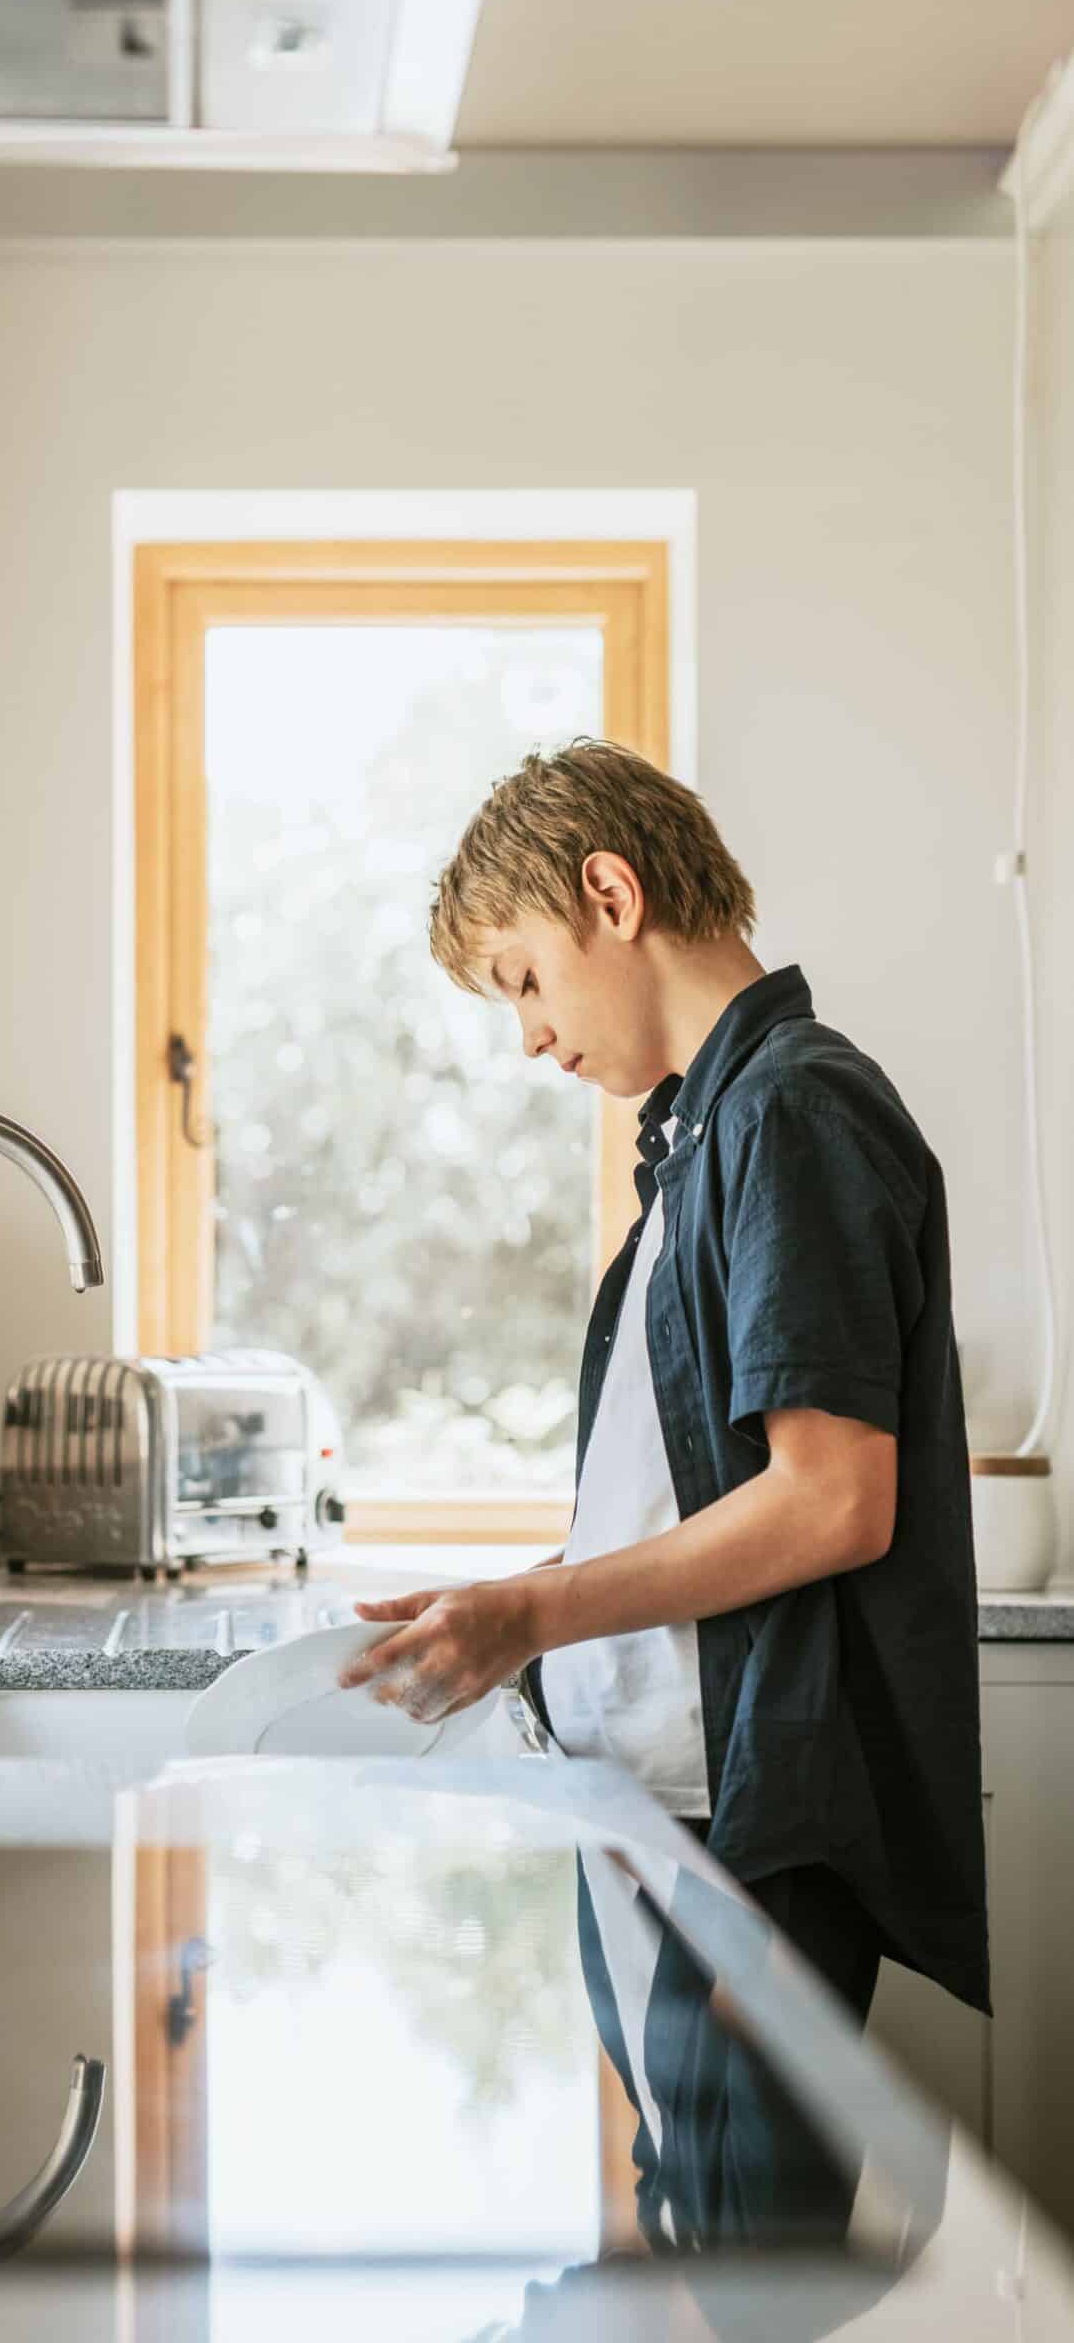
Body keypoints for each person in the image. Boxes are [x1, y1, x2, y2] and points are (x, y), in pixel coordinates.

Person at [340, 738, 989, 2024]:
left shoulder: (789, 1113)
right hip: (670, 1798)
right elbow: (695, 1496)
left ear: (610, 896)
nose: (528, 1036)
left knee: (734, 2224)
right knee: (690, 2213)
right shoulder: (708, 1136)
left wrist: (531, 1620)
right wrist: (518, 1591)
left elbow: (829, 1502)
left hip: (742, 1818)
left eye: (524, 979)